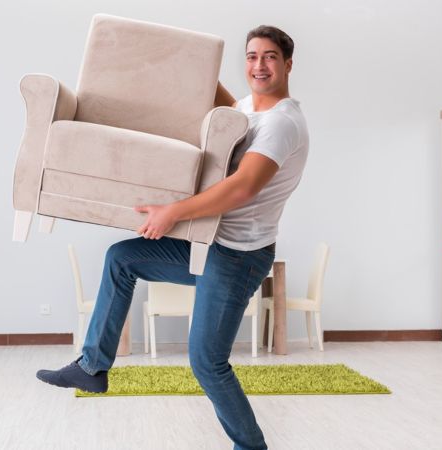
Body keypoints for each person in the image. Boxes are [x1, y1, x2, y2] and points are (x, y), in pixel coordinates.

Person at [37, 25, 309, 450]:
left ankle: (251, 447)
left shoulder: (282, 124)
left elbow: (242, 188)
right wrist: (181, 57)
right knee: (122, 258)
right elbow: (209, 96)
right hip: (211, 243)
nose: (260, 65)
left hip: (238, 257)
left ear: (288, 64)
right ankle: (92, 367)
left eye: (270, 57)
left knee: (207, 361)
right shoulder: (249, 111)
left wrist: (172, 214)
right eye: (252, 56)